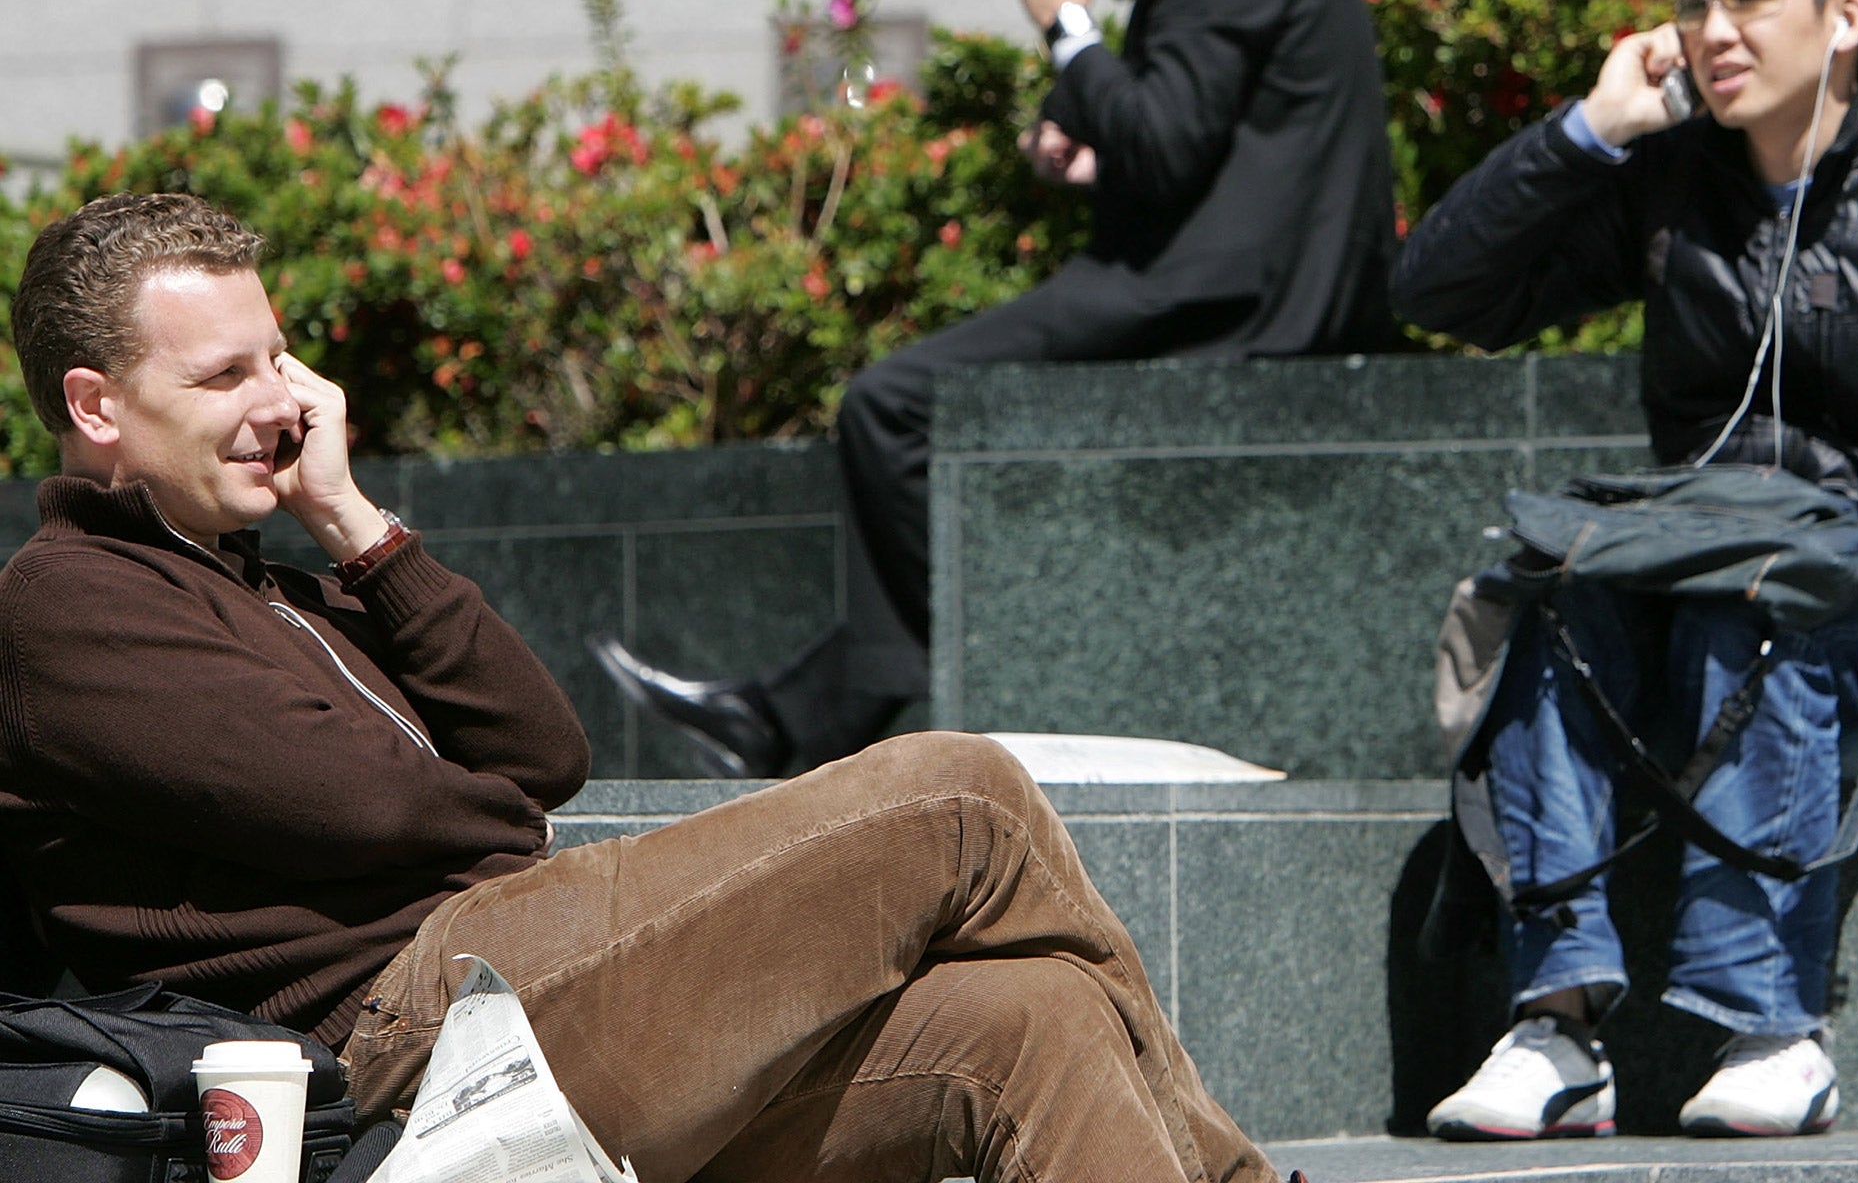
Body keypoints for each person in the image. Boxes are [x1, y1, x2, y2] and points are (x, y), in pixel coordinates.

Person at [0, 192, 1285, 1183]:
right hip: (397, 1037)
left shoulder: (290, 578)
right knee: (962, 793)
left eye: (277, 361)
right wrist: (493, 816)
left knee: (1027, 1017)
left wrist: (357, 529)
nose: (277, 404)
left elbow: (541, 749)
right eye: (223, 376)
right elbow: (378, 813)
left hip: (528, 987)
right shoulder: (70, 602)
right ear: (96, 407)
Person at [1392, 0, 1858, 1139]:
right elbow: (1435, 294)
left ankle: (1770, 1029)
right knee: (1560, 600)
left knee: (1766, 616)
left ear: (1844, 14)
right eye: (1693, 3)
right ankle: (1556, 1024)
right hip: (1682, 592)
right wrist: (1586, 133)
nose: (1711, 32)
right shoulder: (1670, 180)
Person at [602, 0, 1398, 778]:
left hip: (1229, 304)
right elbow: (1193, 146)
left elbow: (1166, 142)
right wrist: (1096, 146)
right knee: (902, 407)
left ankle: (893, 686)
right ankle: (797, 714)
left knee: (889, 404)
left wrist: (1067, 26)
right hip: (1213, 277)